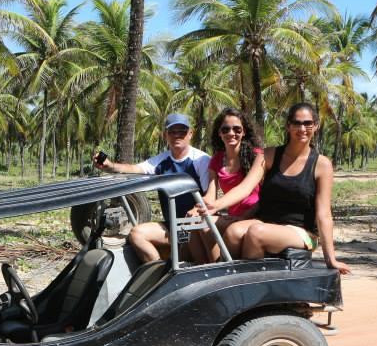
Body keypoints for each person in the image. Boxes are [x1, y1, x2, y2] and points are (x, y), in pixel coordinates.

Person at [232, 102, 351, 274]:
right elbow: (246, 188)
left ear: (316, 126)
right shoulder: (269, 155)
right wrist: (213, 206)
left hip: (301, 231)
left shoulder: (322, 164)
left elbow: (324, 214)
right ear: (288, 126)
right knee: (233, 232)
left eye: (307, 123)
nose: (302, 128)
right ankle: (231, 283)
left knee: (256, 233)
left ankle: (255, 291)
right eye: (297, 123)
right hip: (267, 222)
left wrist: (330, 259)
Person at [93, 113, 210, 262]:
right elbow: (134, 168)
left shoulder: (201, 160)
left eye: (182, 131)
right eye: (172, 132)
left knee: (188, 258)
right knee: (137, 234)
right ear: (165, 135)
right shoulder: (161, 161)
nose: (177, 136)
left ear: (190, 134)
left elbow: (209, 198)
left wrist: (195, 211)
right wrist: (110, 166)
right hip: (171, 225)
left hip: (195, 225)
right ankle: (158, 272)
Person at [187, 108, 265, 262]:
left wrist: (243, 217)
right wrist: (197, 208)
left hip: (255, 215)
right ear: (219, 133)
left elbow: (264, 197)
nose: (231, 133)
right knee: (193, 224)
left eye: (237, 129)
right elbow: (210, 195)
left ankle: (218, 268)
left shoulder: (256, 156)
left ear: (244, 132)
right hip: (233, 216)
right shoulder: (216, 160)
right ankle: (203, 268)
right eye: (225, 129)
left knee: (206, 227)